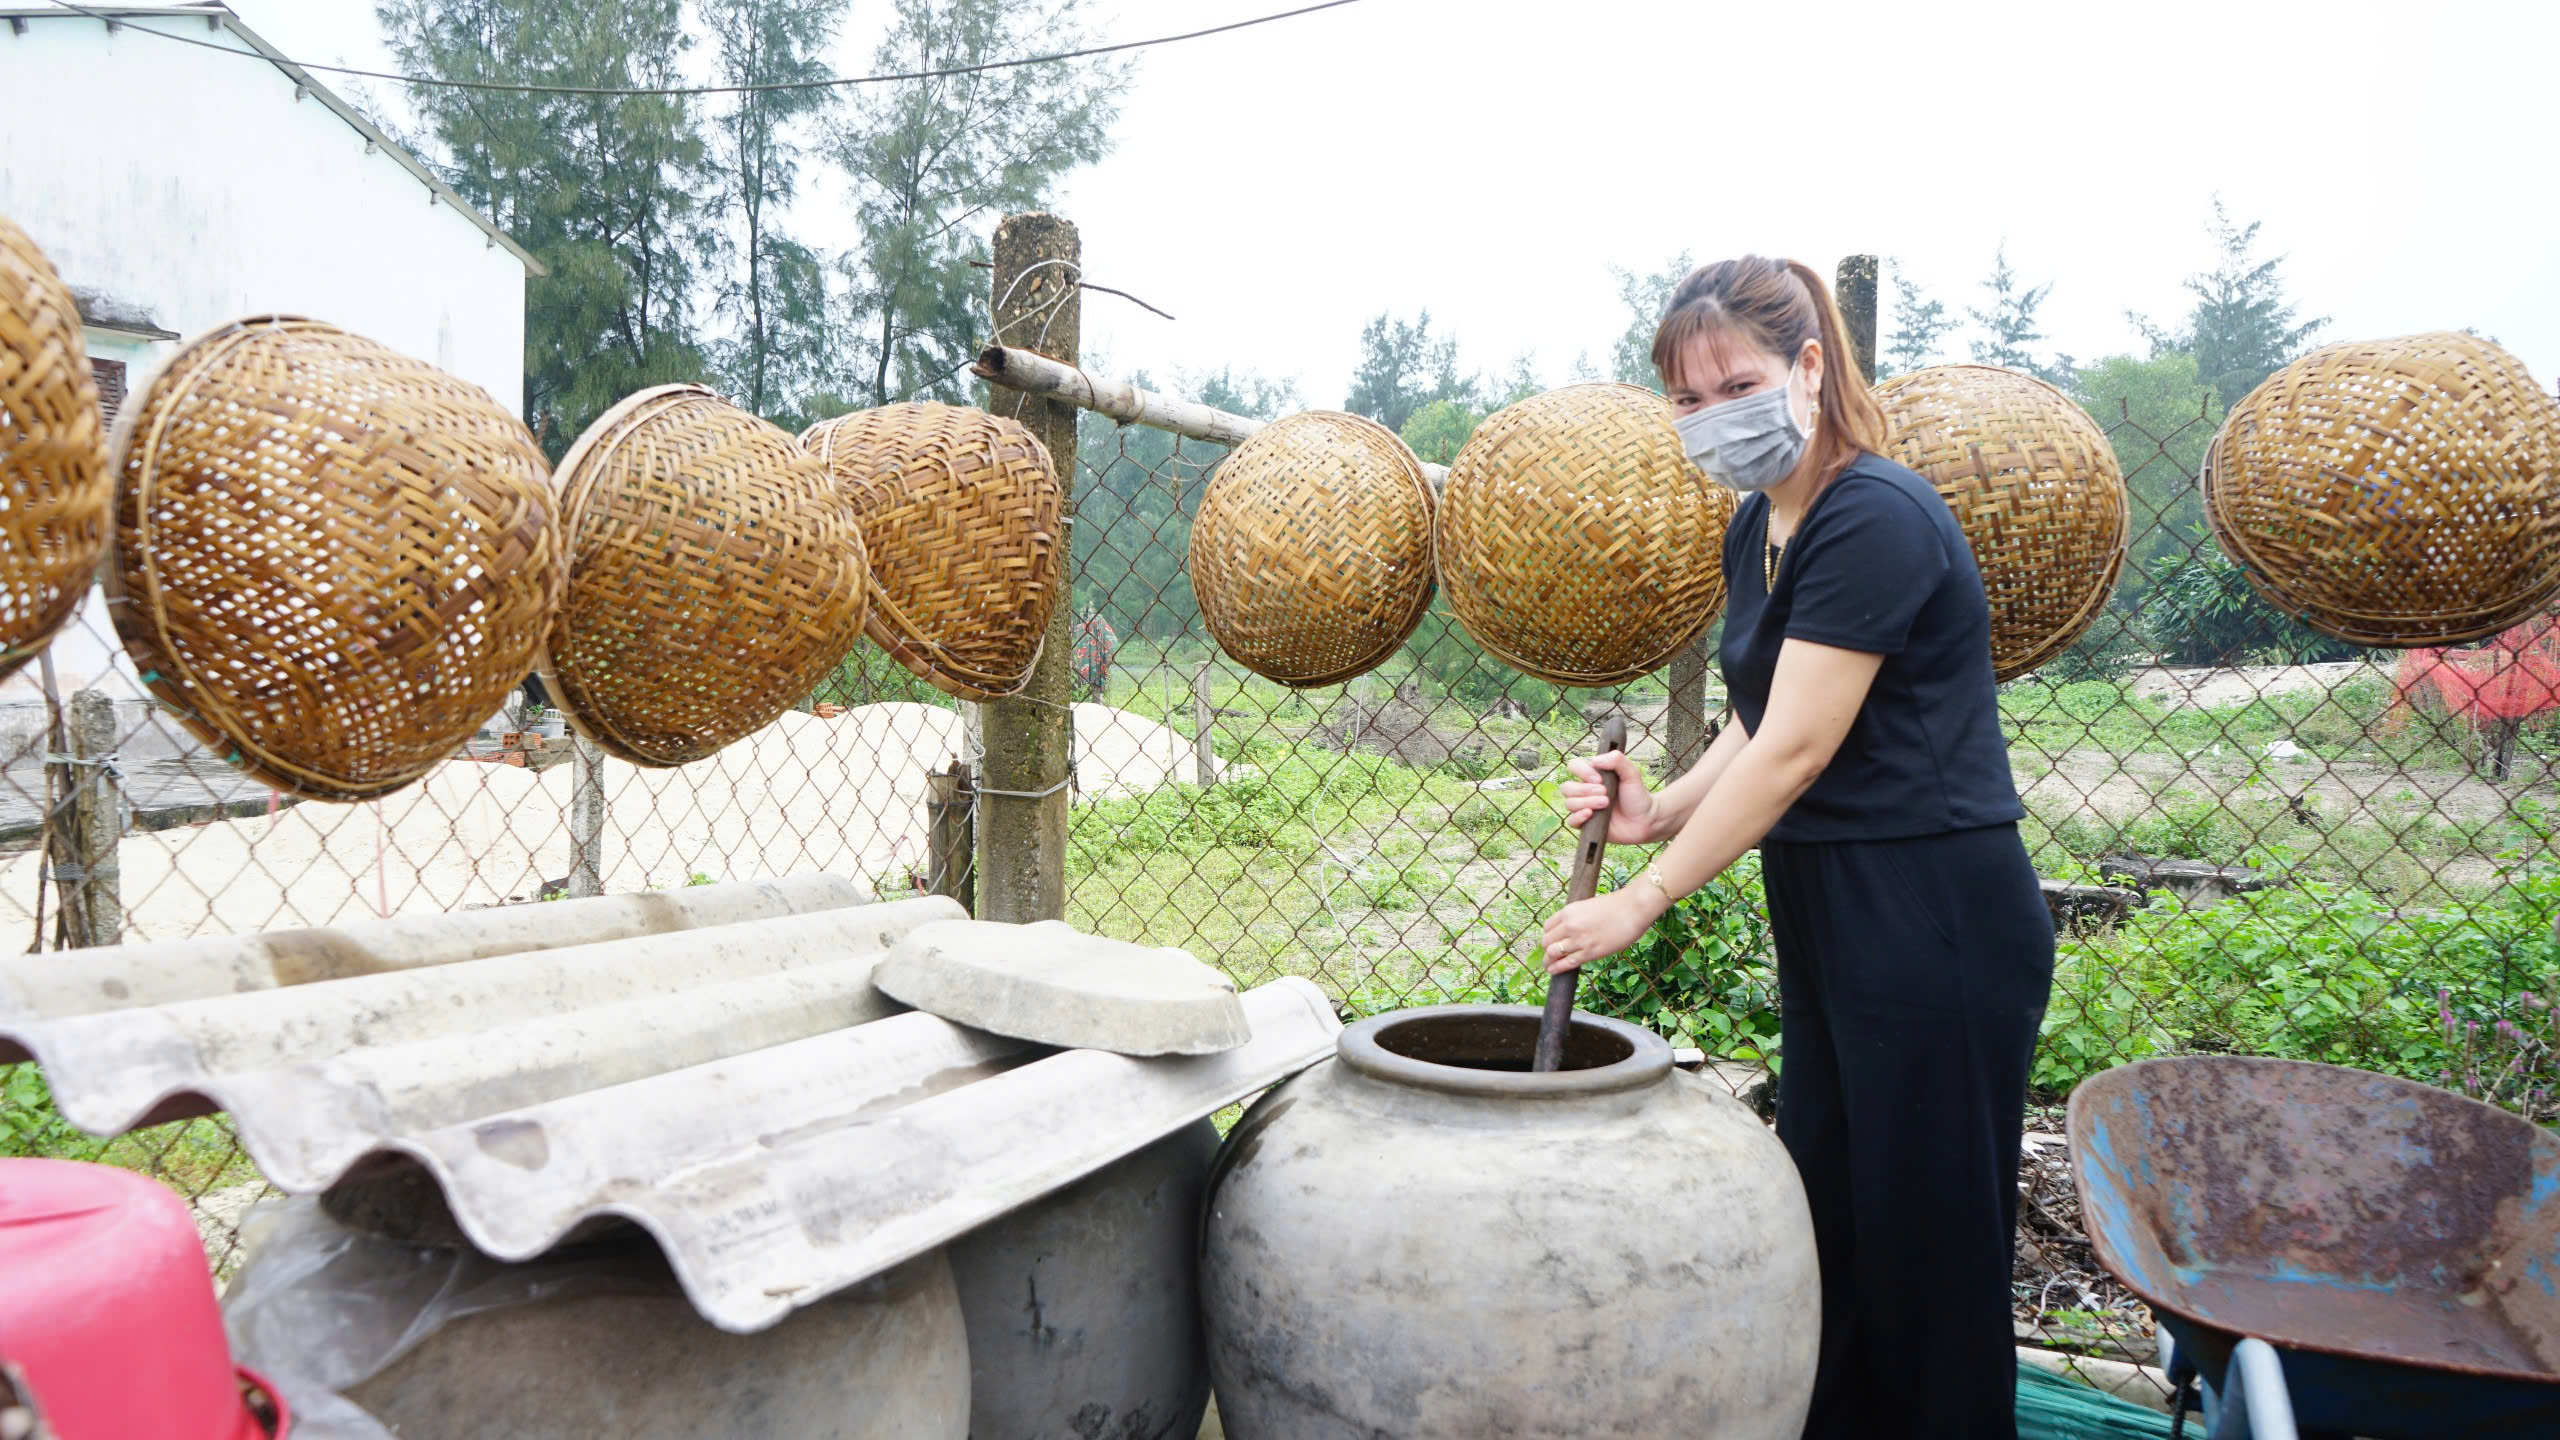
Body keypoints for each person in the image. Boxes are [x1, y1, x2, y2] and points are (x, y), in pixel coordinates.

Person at [1540, 255, 2055, 1439]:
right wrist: (1658, 809)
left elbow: (1797, 755)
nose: (1713, 418)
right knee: (1834, 1198)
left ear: (1808, 368)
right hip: (1833, 903)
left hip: (1931, 905)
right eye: (1687, 400)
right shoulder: (1760, 525)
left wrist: (1645, 898)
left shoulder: (1873, 514)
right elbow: (1761, 714)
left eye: (1737, 385)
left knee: (1927, 1241)